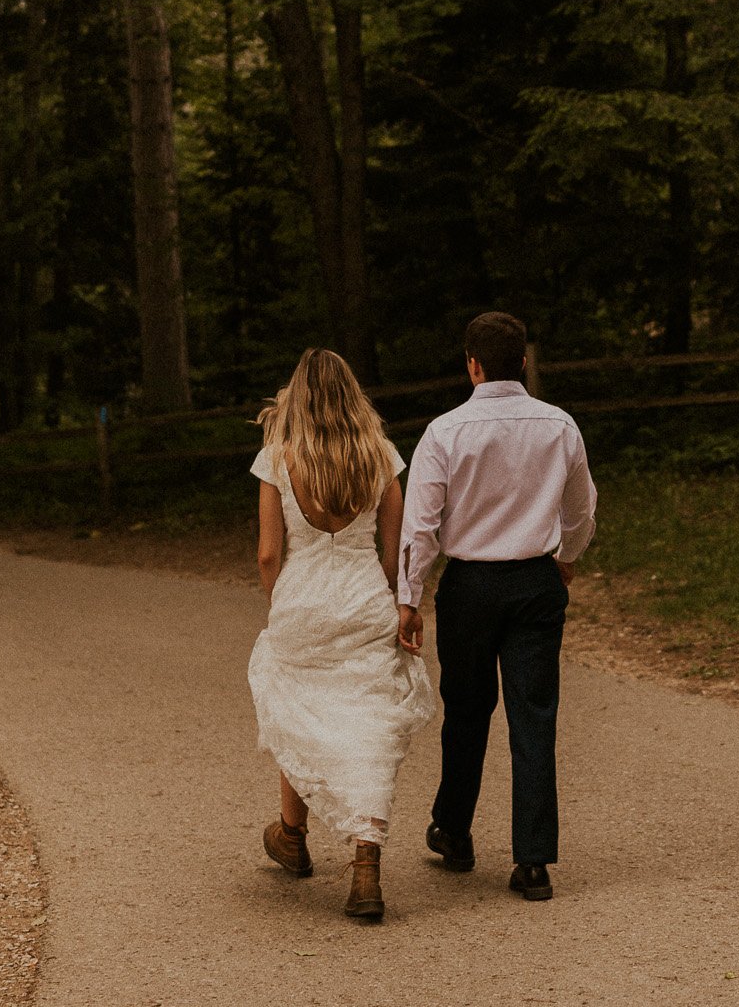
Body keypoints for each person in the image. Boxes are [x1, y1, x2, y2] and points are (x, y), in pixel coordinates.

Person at [397, 311, 597, 901]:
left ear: (472, 365)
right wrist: (566, 555)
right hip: (536, 583)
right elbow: (582, 507)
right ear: (525, 362)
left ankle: (455, 832)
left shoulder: (445, 432)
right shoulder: (560, 426)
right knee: (533, 715)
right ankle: (533, 863)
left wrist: (411, 598)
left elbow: (422, 525)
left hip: (471, 588)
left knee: (466, 709)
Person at [249, 348, 437, 922]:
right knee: (368, 719)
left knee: (299, 710)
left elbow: (267, 553)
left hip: (302, 598)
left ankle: (292, 836)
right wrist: (397, 602)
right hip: (362, 596)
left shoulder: (277, 460)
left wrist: (282, 596)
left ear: (297, 399)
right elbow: (397, 546)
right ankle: (365, 867)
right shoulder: (379, 456)